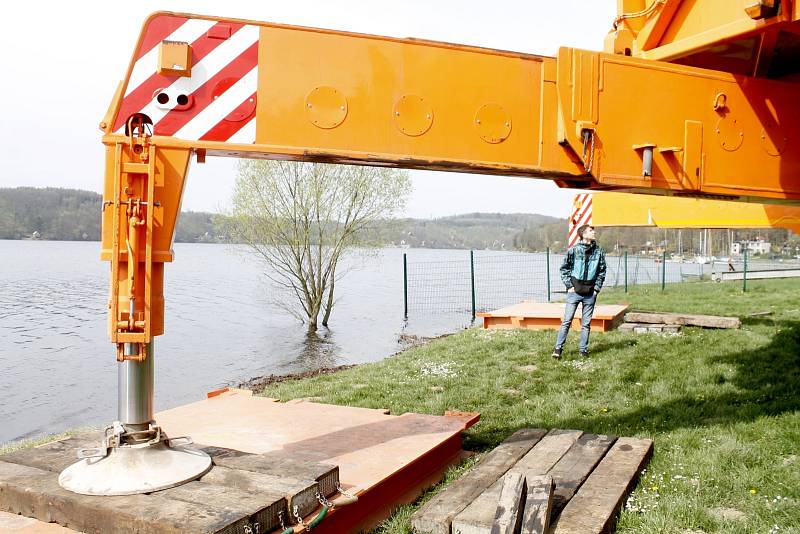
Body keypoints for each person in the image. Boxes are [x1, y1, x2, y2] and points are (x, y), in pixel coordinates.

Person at [552, 225, 607, 359]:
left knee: (586, 324)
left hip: (590, 293)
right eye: (590, 231)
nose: (593, 232)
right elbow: (564, 269)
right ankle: (558, 348)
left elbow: (602, 271)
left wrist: (596, 289)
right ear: (583, 234)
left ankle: (583, 350)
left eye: (593, 230)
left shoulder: (599, 252)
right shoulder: (574, 250)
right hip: (574, 292)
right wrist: (569, 286)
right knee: (567, 321)